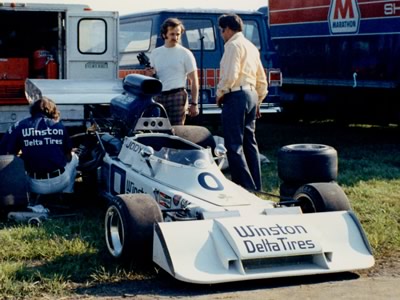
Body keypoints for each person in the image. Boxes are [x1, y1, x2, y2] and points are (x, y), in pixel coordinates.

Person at [216, 13, 268, 192]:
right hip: (252, 95)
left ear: (228, 29)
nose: (222, 35)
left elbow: (231, 75)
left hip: (236, 95)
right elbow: (262, 79)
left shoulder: (232, 46)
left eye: (222, 31)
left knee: (234, 144)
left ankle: (243, 187)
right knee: (250, 143)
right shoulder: (252, 47)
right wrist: (259, 100)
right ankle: (256, 185)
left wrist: (220, 92)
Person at [0, 97, 79, 196]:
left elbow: (6, 152)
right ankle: (67, 193)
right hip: (60, 182)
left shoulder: (20, 125)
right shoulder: (59, 126)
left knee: (16, 161)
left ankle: (27, 196)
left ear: (33, 110)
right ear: (52, 110)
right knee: (74, 157)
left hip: (34, 185)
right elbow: (68, 157)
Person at [145, 18, 199, 125]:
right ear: (165, 34)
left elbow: (194, 81)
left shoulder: (185, 53)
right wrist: (149, 74)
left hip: (177, 96)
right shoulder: (156, 53)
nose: (175, 37)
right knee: (157, 130)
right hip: (158, 95)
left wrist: (194, 103)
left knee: (177, 130)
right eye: (172, 34)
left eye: (178, 34)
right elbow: (151, 78)